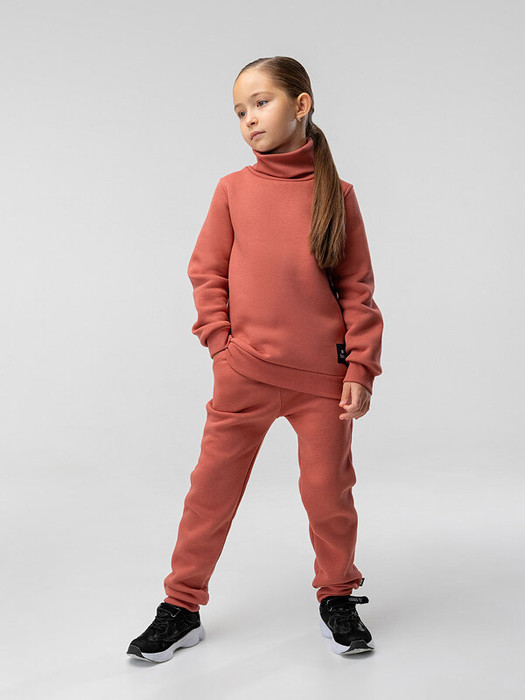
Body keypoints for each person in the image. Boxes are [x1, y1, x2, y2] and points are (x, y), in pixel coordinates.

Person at [127, 55, 384, 662]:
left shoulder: (338, 196)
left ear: (302, 105)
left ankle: (337, 596)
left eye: (261, 103)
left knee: (328, 493)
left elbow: (357, 290)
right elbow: (206, 272)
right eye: (240, 110)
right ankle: (181, 606)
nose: (249, 118)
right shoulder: (232, 190)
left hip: (322, 380)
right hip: (243, 373)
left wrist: (361, 367)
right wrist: (221, 344)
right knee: (210, 493)